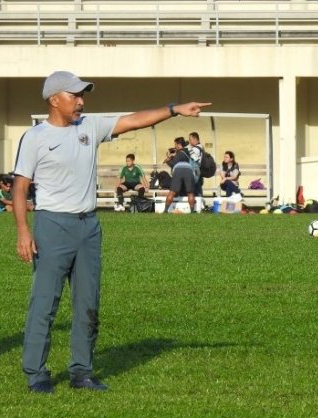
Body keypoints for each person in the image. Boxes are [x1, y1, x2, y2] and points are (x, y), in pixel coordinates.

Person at [12, 70, 210, 393]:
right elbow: (20, 187)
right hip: (51, 226)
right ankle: (36, 373)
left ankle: (82, 372)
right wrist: (23, 231)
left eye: (82, 95)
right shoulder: (35, 137)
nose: (81, 101)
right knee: (44, 303)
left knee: (88, 302)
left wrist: (174, 109)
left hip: (88, 226)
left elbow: (134, 120)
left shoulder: (89, 125)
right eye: (74, 95)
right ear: (54, 100)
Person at [164, 137, 197, 213]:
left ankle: (165, 210)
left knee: (172, 192)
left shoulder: (179, 153)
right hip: (188, 170)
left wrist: (168, 160)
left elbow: (173, 164)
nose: (175, 147)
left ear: (179, 145)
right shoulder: (187, 152)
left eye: (175, 145)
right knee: (190, 193)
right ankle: (192, 211)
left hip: (178, 170)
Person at [188, 131, 204, 196]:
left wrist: (188, 149)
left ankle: (199, 202)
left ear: (195, 139)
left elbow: (194, 158)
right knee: (197, 187)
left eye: (190, 139)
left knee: (195, 186)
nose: (189, 141)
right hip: (197, 170)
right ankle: (200, 202)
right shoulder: (199, 147)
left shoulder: (197, 148)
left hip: (195, 170)